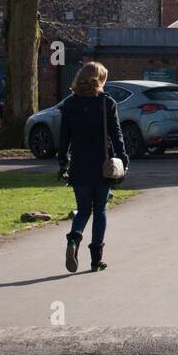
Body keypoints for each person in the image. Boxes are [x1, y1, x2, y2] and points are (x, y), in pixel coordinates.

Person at [57, 61, 128, 273]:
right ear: (99, 79)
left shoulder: (69, 103)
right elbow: (116, 135)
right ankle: (96, 260)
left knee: (83, 209)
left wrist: (63, 161)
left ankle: (74, 239)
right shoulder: (107, 103)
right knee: (99, 210)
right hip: (102, 164)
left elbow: (64, 137)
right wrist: (124, 160)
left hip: (79, 164)